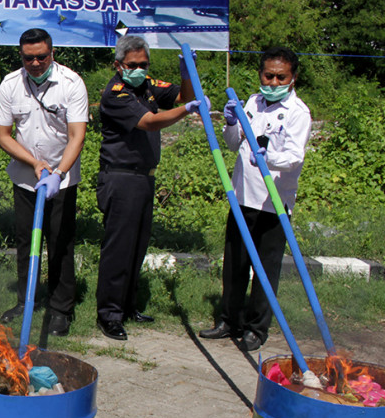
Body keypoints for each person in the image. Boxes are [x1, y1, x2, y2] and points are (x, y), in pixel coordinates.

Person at [200, 48, 311, 352]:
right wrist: (232, 122)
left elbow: (293, 157)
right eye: (268, 75)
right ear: (261, 74)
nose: (273, 82)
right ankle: (228, 320)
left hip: (274, 202)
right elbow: (235, 144)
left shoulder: (298, 112)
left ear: (292, 78)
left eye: (280, 77)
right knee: (234, 263)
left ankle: (255, 329)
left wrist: (268, 157)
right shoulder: (251, 101)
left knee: (265, 269)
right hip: (242, 197)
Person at [95, 35, 201, 340]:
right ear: (118, 65)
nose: (139, 69)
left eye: (143, 64)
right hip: (121, 177)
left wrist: (187, 73)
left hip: (144, 177)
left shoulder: (148, 86)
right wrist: (188, 111)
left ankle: (128, 305)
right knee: (119, 249)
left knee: (137, 246)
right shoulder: (116, 94)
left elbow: (182, 96)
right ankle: (109, 315)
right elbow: (150, 122)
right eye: (133, 65)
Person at [0, 29, 88, 336]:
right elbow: (2, 135)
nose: (35, 63)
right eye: (28, 57)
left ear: (52, 53)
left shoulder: (71, 84)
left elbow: (77, 136)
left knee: (60, 242)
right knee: (25, 242)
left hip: (61, 179)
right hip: (25, 178)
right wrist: (34, 164)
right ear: (21, 56)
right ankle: (26, 301)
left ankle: (61, 309)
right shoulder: (10, 84)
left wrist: (58, 173)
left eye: (41, 57)